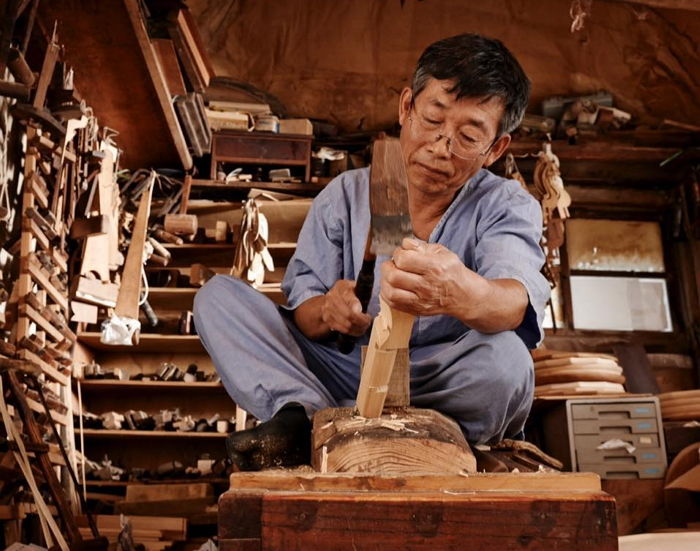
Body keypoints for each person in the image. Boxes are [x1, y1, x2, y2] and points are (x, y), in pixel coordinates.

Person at [193, 33, 550, 471]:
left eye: (468, 136)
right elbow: (303, 309)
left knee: (508, 363)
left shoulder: (506, 205)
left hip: (441, 382)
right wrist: (328, 311)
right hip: (344, 370)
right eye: (432, 120)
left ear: (495, 149)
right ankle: (301, 417)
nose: (441, 147)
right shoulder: (347, 193)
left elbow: (515, 303)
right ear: (405, 108)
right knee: (218, 300)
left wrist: (461, 292)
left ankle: (440, 440)